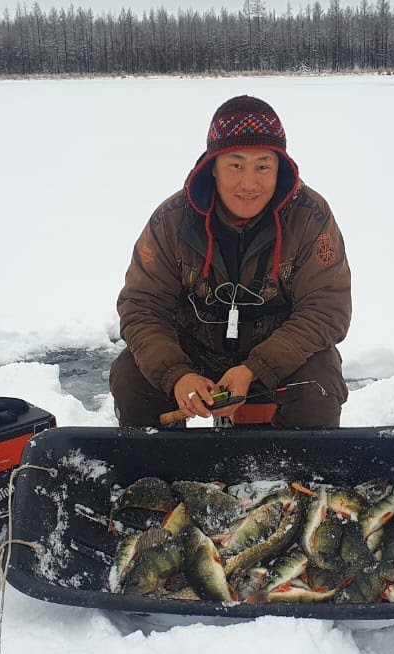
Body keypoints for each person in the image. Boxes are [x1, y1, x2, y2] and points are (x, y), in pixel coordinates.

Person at [110, 95, 351, 428]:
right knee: (129, 374)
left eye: (263, 166)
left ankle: (292, 473)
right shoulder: (171, 220)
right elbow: (142, 306)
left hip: (276, 353)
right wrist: (177, 375)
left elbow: (327, 308)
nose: (249, 183)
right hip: (193, 352)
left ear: (280, 166)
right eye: (235, 165)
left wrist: (256, 368)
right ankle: (156, 473)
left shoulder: (311, 217)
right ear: (213, 167)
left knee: (319, 380)